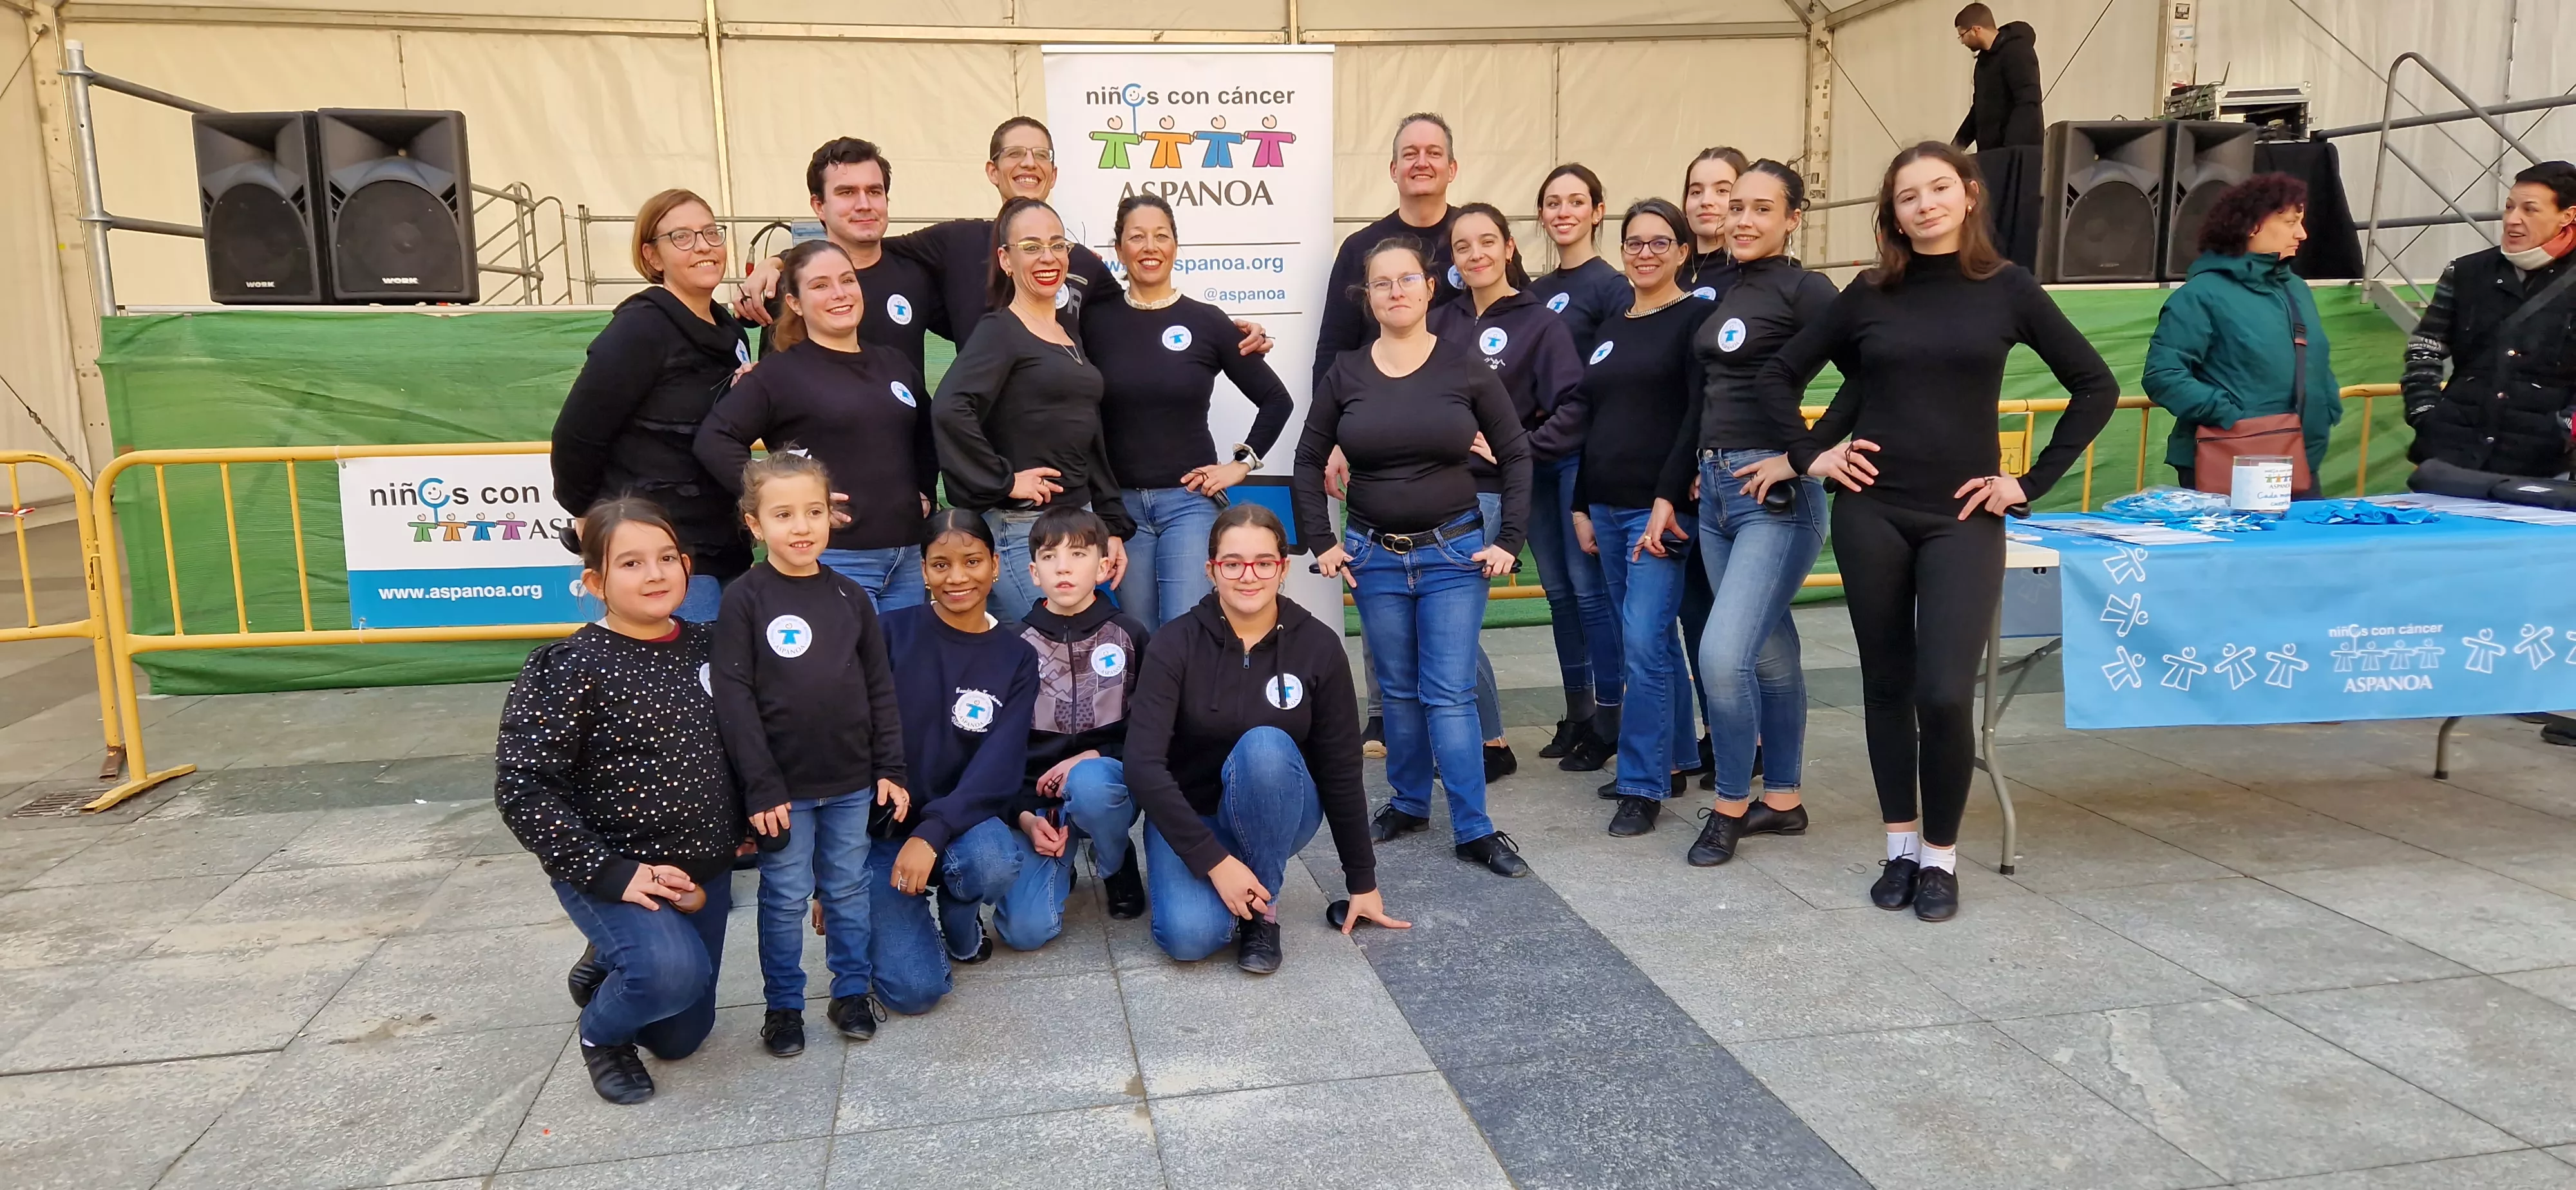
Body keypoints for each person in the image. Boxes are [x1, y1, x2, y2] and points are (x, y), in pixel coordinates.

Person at [1757, 142, 2117, 922]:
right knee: (1885, 685)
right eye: (1907, 195)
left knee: (1946, 693)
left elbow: (2096, 385)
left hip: (1964, 518)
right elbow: (1777, 374)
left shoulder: (2007, 288)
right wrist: (1813, 457)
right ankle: (1898, 848)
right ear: (1891, 212)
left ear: (1968, 196)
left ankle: (1942, 859)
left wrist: (2026, 484)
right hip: (1872, 511)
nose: (1924, 204)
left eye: (1938, 189)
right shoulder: (1867, 294)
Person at [1296, 236, 1533, 878]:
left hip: (1454, 555)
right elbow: (1307, 460)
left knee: (1448, 692)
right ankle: (1406, 802)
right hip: (1374, 556)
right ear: (1367, 297)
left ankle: (1475, 829)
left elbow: (1515, 454)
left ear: (1430, 288)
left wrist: (1508, 539)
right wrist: (1322, 542)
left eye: (1407, 280)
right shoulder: (1345, 372)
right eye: (1382, 283)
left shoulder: (1463, 366)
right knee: (1397, 692)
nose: (1396, 291)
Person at [495, 498, 738, 1105]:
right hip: (616, 870)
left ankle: (613, 954)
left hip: (702, 867)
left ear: (687, 566)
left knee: (681, 1037)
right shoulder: (570, 666)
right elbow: (522, 788)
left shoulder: (714, 645)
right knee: (668, 975)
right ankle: (600, 1036)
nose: (654, 575)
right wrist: (610, 873)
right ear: (596, 583)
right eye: (631, 563)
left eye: (665, 559)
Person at [1117, 503, 1408, 970]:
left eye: (1263, 562)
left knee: (1266, 747)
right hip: (1193, 816)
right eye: (1232, 563)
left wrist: (1363, 882)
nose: (1247, 576)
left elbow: (1340, 770)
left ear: (1283, 568)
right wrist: (1215, 862)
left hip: (1278, 809)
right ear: (1212, 570)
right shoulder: (1174, 643)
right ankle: (1232, 883)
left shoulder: (1317, 645)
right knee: (1190, 940)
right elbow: (1143, 766)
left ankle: (1263, 913)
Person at [1651, 160, 1837, 867]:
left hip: (1773, 499)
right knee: (1768, 653)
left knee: (1721, 656)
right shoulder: (1718, 286)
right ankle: (1783, 801)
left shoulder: (1806, 289)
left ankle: (1730, 803)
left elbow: (1873, 364)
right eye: (1736, 207)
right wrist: (1681, 481)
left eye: (1763, 208)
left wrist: (1805, 454)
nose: (1743, 220)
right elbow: (1700, 399)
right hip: (1713, 491)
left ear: (1793, 217)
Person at [708, 453, 910, 1057]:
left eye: (814, 512)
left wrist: (890, 768)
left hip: (851, 783)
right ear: (754, 524)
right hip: (783, 793)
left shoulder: (851, 597)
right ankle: (784, 1006)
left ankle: (851, 992)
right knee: (785, 896)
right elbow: (734, 698)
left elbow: (880, 688)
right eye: (784, 514)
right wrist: (761, 785)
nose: (801, 527)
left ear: (832, 516)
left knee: (848, 889)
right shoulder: (744, 599)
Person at [1537, 200, 1715, 838]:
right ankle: (1670, 760)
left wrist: (1670, 498)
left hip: (1657, 510)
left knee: (1643, 639)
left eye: (1659, 243)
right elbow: (1594, 419)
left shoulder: (1696, 318)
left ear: (1683, 251)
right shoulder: (1614, 323)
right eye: (1634, 243)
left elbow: (1695, 417)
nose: (1644, 253)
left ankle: (1642, 784)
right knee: (1648, 640)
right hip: (1605, 507)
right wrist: (1581, 503)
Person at [1083, 194, 1294, 627]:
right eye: (1136, 237)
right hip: (1120, 510)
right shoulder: (1092, 321)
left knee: (1184, 634)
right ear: (1119, 249)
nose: (1150, 247)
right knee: (1137, 637)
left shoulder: (1206, 321)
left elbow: (1277, 399)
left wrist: (1240, 465)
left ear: (1176, 246)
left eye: (1161, 236)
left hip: (1189, 506)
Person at [1429, 202, 1585, 781]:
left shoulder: (1539, 323)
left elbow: (1574, 403)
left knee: (1451, 619)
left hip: (1488, 493)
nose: (1476, 254)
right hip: (1429, 487)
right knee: (1442, 620)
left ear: (1510, 247)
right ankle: (1482, 740)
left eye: (1487, 242)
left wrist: (1519, 445)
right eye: (1463, 246)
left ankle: (1490, 744)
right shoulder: (1438, 319)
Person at [871, 510, 1050, 1012]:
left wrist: (934, 832)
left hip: (959, 822)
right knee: (915, 993)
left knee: (993, 861)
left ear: (995, 566)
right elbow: (847, 739)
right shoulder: (887, 633)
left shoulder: (1015, 655)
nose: (957, 578)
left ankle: (958, 913)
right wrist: (832, 875)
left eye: (972, 562)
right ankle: (895, 916)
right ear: (923, 570)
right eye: (940, 564)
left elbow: (999, 763)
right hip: (879, 830)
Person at [697, 239, 936, 609]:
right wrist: (779, 497)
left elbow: (924, 434)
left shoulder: (894, 363)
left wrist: (923, 491)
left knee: (899, 668)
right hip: (835, 559)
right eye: (820, 285)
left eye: (847, 280)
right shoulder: (780, 374)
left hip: (905, 560)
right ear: (794, 302)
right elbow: (715, 439)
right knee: (844, 667)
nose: (839, 294)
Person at [551, 189, 750, 621]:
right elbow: (577, 433)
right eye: (681, 236)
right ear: (652, 256)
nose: (703, 246)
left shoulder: (734, 334)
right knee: (681, 681)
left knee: (731, 680)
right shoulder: (640, 329)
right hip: (660, 551)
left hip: (727, 545)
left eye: (711, 232)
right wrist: (587, 511)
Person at [932, 197, 1134, 618]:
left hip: (1078, 522)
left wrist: (1110, 526)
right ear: (1006, 260)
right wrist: (1004, 480)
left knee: (1074, 654)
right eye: (1031, 246)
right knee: (1044, 655)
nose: (1048, 257)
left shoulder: (1065, 334)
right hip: (1023, 529)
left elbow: (1088, 436)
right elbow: (951, 409)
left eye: (1058, 245)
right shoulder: (1000, 330)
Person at [1526, 164, 1631, 771]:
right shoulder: (1536, 292)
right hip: (1535, 459)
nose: (1563, 212)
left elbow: (1608, 376)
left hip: (1580, 457)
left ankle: (1612, 720)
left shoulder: (1611, 287)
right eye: (1552, 202)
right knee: (1560, 592)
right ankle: (1579, 714)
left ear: (1597, 210)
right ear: (1541, 215)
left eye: (1576, 201)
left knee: (1591, 593)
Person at [2145, 173, 2342, 493]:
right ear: (2252, 226)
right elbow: (2163, 375)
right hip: (2231, 458)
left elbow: (2315, 359)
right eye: (2291, 222)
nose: (2302, 234)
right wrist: (2228, 414)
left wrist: (2326, 402)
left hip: (2299, 458)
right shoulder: (2201, 294)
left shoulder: (2297, 289)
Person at [1005, 506, 1153, 929]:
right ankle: (1059, 861)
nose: (1063, 568)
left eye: (1078, 554)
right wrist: (1023, 814)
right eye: (1050, 557)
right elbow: (997, 750)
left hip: (1106, 784)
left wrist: (1093, 755)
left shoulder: (1129, 635)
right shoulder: (1013, 646)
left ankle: (1114, 860)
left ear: (1104, 566)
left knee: (1091, 787)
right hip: (1036, 802)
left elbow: (1150, 730)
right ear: (1034, 572)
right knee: (1025, 930)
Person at [2402, 159, 2576, 480]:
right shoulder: (2466, 272)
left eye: (2530, 210)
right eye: (2509, 207)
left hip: (2543, 465)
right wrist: (2424, 412)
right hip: (2452, 454)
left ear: (2568, 216)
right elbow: (2425, 347)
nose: (2513, 220)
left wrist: (2564, 430)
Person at [730, 138, 946, 372]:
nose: (864, 204)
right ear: (819, 205)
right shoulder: (787, 278)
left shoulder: (916, 275)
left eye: (874, 191)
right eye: (847, 192)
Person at [1314, 113, 1465, 391]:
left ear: (1452, 169)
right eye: (1410, 154)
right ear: (1394, 170)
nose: (1422, 163)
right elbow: (1334, 348)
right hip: (1377, 410)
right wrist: (1328, 428)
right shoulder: (1359, 248)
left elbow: (1521, 320)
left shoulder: (1479, 240)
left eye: (1433, 153)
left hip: (1463, 409)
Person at [1951, 5, 2043, 153]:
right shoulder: (1982, 64)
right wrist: (1956, 147)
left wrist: (2010, 148)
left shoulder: (2017, 50)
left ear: (1976, 30)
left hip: (2017, 153)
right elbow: (1978, 109)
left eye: (1963, 35)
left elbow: (2028, 101)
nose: (1962, 41)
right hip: (1991, 153)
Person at [1680, 147, 1750, 300]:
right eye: (1696, 192)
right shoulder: (1669, 269)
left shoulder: (1751, 276)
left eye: (1722, 190)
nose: (1706, 202)